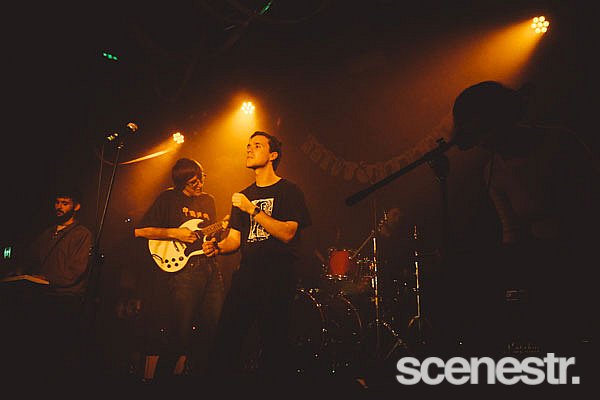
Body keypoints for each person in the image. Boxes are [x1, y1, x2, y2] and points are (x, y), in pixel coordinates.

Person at [449, 80, 600, 354]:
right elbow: (512, 231)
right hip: (547, 265)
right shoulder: (492, 170)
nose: (482, 142)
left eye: (483, 130)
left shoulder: (560, 142)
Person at [202, 131, 311, 387]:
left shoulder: (289, 191)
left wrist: (252, 209)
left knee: (274, 344)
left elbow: (288, 233)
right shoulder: (243, 195)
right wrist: (217, 247)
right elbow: (235, 240)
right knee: (226, 340)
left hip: (278, 275)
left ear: (273, 155)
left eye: (257, 146)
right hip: (247, 275)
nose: (249, 149)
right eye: (248, 145)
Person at [134, 158, 226, 382]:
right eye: (193, 182)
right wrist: (174, 233)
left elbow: (209, 234)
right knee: (179, 335)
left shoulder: (208, 200)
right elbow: (140, 231)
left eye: (201, 179)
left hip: (210, 269)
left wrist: (216, 237)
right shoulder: (168, 198)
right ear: (181, 182)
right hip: (185, 273)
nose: (199, 185)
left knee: (214, 330)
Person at [11, 188, 94, 381]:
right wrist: (19, 271)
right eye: (57, 202)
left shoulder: (82, 234)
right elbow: (29, 257)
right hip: (41, 298)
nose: (59, 207)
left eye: (65, 203)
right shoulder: (46, 233)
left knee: (59, 355)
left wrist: (46, 278)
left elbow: (77, 271)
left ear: (76, 206)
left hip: (66, 301)